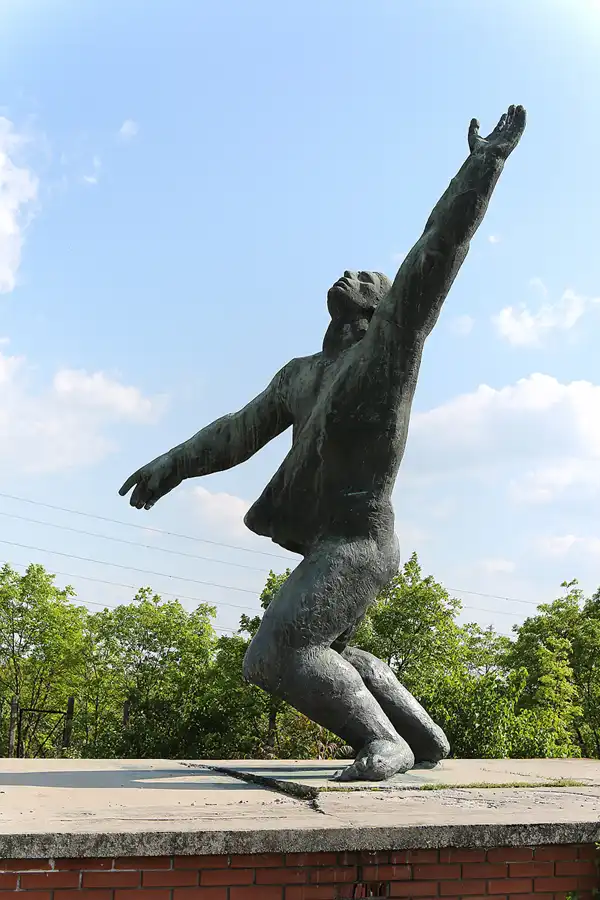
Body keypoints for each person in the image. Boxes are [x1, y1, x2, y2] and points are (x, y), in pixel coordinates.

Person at [120, 106, 526, 780]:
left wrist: (484, 164)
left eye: (367, 278)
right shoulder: (302, 376)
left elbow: (437, 246)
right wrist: (172, 465)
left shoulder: (389, 353)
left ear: (381, 308)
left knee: (275, 653)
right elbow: (236, 431)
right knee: (326, 648)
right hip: (331, 543)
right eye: (353, 273)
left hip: (361, 545)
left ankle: (384, 744)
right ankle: (422, 739)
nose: (352, 275)